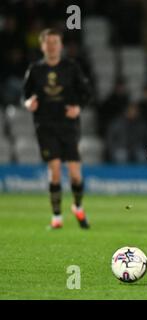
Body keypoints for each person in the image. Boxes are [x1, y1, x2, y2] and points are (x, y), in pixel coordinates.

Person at [23, 28, 91, 229]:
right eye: (48, 42)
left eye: (55, 42)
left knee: (75, 174)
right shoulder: (35, 70)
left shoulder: (71, 67)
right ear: (42, 45)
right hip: (44, 125)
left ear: (60, 46)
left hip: (68, 126)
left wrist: (78, 107)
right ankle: (57, 218)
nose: (52, 46)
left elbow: (86, 92)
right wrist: (28, 103)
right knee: (54, 171)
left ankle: (77, 206)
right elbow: (25, 95)